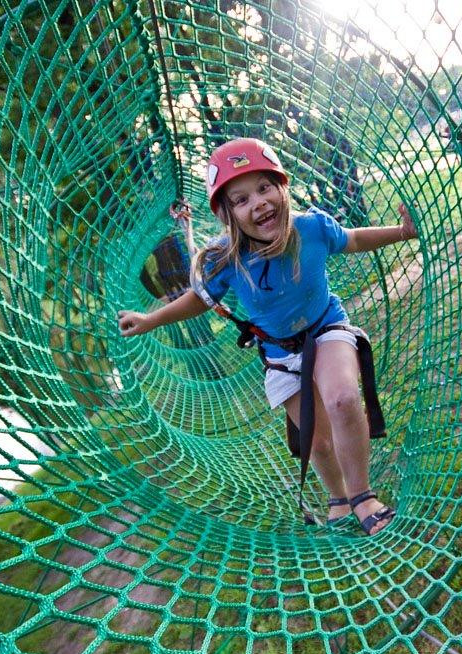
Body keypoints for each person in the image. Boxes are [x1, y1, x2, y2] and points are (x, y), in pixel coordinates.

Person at [117, 137, 416, 536]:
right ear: (228, 214)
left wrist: (402, 232)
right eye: (241, 199)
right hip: (279, 352)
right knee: (316, 441)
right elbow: (197, 301)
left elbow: (355, 239)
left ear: (281, 188)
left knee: (342, 397)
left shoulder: (311, 228)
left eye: (263, 188)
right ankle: (339, 499)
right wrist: (150, 320)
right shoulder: (225, 259)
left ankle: (363, 496)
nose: (257, 202)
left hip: (326, 327)